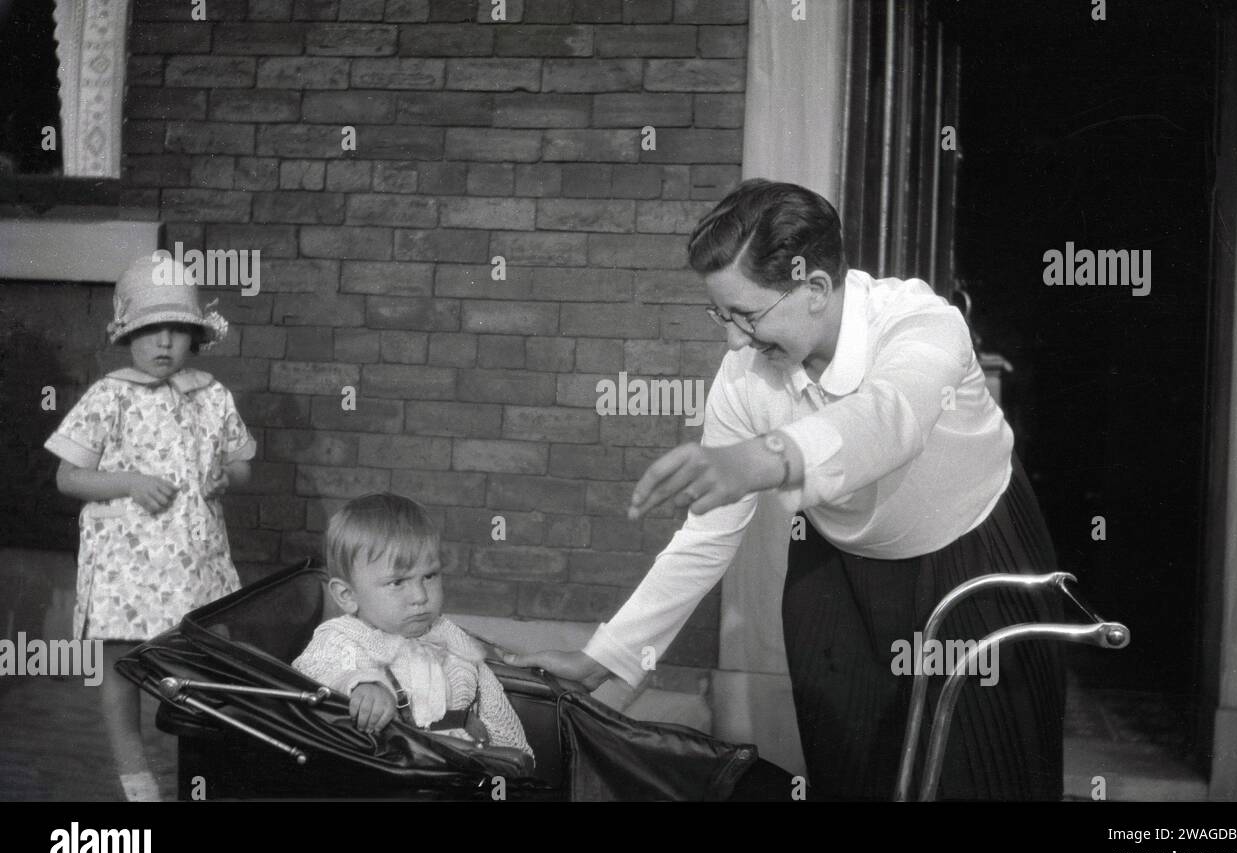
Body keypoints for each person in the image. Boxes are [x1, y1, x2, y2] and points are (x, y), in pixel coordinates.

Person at [510, 179, 1065, 800]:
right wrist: (604, 657)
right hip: (839, 574)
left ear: (816, 289)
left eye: (747, 314)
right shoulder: (744, 375)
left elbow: (891, 419)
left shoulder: (922, 324)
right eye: (721, 314)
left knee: (979, 779)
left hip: (970, 561)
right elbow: (708, 533)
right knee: (852, 774)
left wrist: (764, 457)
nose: (734, 339)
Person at [45, 252, 255, 802]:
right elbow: (70, 477)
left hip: (195, 564)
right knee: (122, 667)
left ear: (195, 338)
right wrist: (129, 482)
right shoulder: (109, 396)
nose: (163, 343)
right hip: (127, 568)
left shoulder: (211, 396)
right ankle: (136, 779)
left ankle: (202, 768)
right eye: (149, 331)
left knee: (208, 655)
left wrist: (223, 476)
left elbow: (242, 464)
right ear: (126, 336)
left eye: (176, 332)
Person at [292, 493, 533, 763]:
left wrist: (512, 758)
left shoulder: (449, 637)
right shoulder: (342, 638)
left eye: (429, 576)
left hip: (464, 764)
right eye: (397, 582)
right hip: (394, 769)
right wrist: (360, 685)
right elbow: (312, 671)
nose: (420, 596)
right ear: (348, 596)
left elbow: (494, 706)